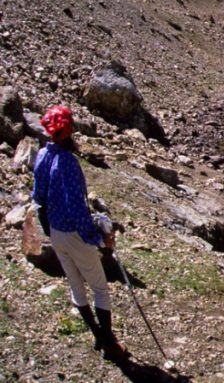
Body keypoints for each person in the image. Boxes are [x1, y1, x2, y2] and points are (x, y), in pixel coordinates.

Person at [32, 105, 127, 360]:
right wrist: (98, 238)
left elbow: (37, 197)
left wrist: (49, 230)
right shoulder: (69, 163)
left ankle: (98, 336)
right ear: (69, 131)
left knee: (76, 286)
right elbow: (77, 209)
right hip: (74, 234)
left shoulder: (41, 155)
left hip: (55, 232)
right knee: (99, 288)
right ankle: (110, 344)